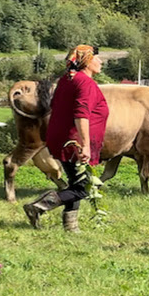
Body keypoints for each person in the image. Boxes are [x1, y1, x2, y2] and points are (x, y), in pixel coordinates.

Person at [23, 44, 109, 232]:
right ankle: (39, 206)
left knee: (76, 183)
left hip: (63, 139)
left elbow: (56, 105)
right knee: (83, 187)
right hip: (75, 143)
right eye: (96, 57)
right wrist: (85, 145)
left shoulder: (68, 79)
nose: (101, 61)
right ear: (86, 62)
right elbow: (81, 115)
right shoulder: (85, 84)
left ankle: (71, 227)